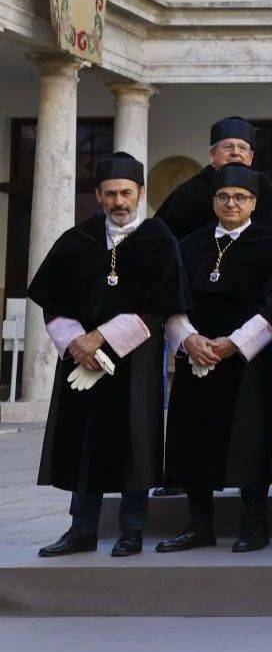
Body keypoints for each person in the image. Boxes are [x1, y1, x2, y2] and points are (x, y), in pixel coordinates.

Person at [31, 153, 190, 559]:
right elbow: (52, 302)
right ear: (98, 196)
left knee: (135, 443)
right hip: (82, 363)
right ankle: (81, 529)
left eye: (126, 193)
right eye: (110, 194)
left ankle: (132, 530)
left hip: (134, 360)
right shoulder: (77, 240)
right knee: (84, 443)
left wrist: (100, 338)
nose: (119, 201)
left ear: (140, 193)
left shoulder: (159, 240)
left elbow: (159, 308)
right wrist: (76, 344)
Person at [158, 165, 272, 554]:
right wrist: (190, 339)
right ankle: (199, 524)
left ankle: (254, 523)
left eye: (241, 198)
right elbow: (172, 301)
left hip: (246, 360)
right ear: (213, 201)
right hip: (196, 357)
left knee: (250, 438)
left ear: (254, 203)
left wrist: (233, 344)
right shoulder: (190, 245)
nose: (232, 204)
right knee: (192, 436)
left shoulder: (270, 245)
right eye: (224, 197)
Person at [154, 116, 272, 240]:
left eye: (242, 148)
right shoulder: (191, 192)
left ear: (251, 157)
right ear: (212, 155)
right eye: (228, 147)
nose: (235, 153)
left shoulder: (264, 188)